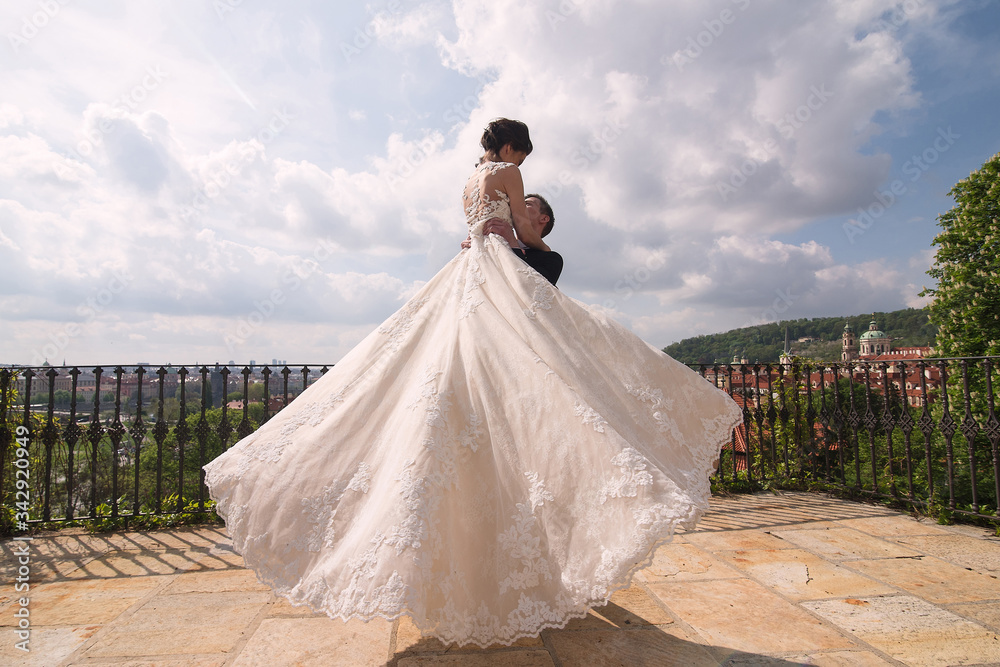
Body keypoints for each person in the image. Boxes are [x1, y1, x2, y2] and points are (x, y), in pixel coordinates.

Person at [204, 118, 742, 648]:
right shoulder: (508, 171)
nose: (522, 169)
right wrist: (529, 234)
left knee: (450, 375)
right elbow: (528, 233)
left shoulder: (467, 179)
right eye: (523, 157)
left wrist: (503, 235)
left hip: (471, 269)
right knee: (560, 360)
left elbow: (485, 228)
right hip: (498, 270)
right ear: (513, 148)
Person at [464, 192, 563, 285]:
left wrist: (512, 242)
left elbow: (533, 288)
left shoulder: (552, 259)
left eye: (527, 204)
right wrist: (470, 252)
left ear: (544, 218)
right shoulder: (493, 245)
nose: (518, 206)